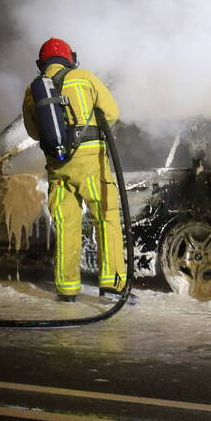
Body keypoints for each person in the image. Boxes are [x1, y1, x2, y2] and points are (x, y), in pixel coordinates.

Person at [22, 38, 130, 304]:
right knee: (106, 218)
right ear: (69, 58)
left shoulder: (32, 90)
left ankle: (67, 288)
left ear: (42, 63)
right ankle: (113, 285)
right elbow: (113, 113)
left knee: (67, 224)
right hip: (91, 162)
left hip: (57, 167)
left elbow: (33, 132)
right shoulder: (83, 77)